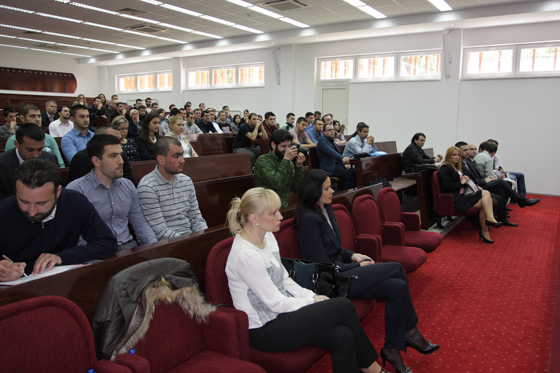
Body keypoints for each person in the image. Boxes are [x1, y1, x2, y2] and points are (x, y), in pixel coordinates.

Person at [225, 187, 386, 373]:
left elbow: (285, 279)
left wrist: (311, 295)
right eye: (274, 212)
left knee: (344, 336)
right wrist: (310, 301)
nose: (280, 217)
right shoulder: (246, 255)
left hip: (283, 315)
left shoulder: (267, 236)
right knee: (344, 306)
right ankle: (373, 369)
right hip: (265, 330)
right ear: (254, 219)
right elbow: (275, 302)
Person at [295, 169, 439, 372]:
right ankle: (409, 332)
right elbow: (322, 263)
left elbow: (334, 249)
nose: (332, 191)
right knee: (396, 268)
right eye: (326, 188)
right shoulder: (309, 219)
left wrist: (353, 255)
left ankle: (392, 347)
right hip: (333, 279)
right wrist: (355, 265)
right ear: (313, 191)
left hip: (344, 269)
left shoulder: (326, 209)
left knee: (396, 287)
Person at [0, 158, 118, 281]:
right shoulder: (3, 211)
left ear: (57, 192)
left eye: (41, 203)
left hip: (63, 282)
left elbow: (107, 243)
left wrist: (62, 257)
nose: (32, 211)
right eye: (23, 201)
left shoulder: (75, 202)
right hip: (17, 288)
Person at [67, 135, 157, 251]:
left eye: (121, 154)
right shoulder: (77, 190)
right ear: (96, 161)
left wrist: (155, 248)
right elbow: (75, 235)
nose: (121, 161)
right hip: (95, 254)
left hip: (128, 247)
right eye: (113, 156)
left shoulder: (127, 186)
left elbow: (140, 224)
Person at [137, 137, 207, 240]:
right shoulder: (148, 187)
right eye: (176, 156)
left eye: (182, 155)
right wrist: (190, 242)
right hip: (167, 244)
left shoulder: (186, 180)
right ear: (161, 159)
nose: (182, 160)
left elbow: (196, 217)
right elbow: (160, 231)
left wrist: (203, 236)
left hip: (190, 238)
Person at [439, 147, 502, 243]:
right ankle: (486, 229)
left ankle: (489, 221)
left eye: (458, 155)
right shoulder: (445, 167)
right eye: (454, 155)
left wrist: (472, 185)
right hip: (456, 198)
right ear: (448, 156)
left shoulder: (456, 167)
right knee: (485, 204)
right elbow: (446, 187)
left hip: (464, 194)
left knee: (486, 193)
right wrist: (462, 182)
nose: (457, 157)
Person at [0, 124, 59, 200]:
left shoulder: (50, 159)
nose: (36, 155)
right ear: (17, 144)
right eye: (30, 150)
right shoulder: (2, 164)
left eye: (40, 149)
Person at [67, 123, 137, 186]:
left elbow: (132, 181)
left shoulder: (120, 154)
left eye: (119, 140)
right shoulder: (81, 158)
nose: (117, 143)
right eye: (112, 139)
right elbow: (88, 187)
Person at [474, 142, 539, 208]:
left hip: (479, 181)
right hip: (482, 182)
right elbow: (490, 176)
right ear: (493, 153)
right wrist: (497, 177)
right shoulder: (488, 158)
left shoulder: (478, 156)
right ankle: (520, 200)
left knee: (502, 190)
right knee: (502, 182)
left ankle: (503, 215)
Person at [254, 129, 306, 208]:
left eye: (289, 146)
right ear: (273, 145)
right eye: (283, 146)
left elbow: (296, 189)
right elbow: (276, 184)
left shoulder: (289, 163)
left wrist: (299, 167)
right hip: (265, 207)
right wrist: (286, 160)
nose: (287, 150)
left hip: (283, 206)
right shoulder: (263, 160)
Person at [4, 104, 66, 168]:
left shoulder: (49, 138)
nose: (37, 119)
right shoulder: (13, 139)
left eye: (39, 116)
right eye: (32, 116)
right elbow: (9, 163)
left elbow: (60, 164)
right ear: (22, 118)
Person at [317, 123, 356, 190]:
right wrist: (342, 158)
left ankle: (352, 193)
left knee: (355, 173)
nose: (332, 131)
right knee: (350, 176)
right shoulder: (322, 141)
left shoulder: (331, 141)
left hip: (337, 165)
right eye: (329, 130)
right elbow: (331, 152)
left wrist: (344, 164)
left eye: (333, 130)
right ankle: (346, 195)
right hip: (330, 167)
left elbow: (337, 154)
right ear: (324, 132)